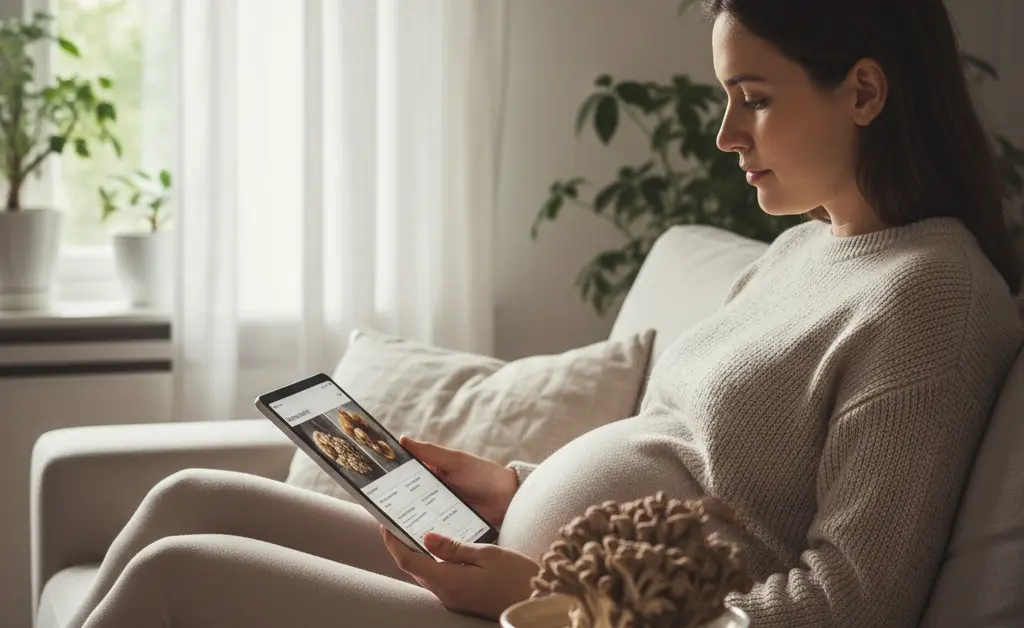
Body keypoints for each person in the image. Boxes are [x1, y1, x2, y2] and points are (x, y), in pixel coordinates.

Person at [65, 0, 1024, 627]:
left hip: (560, 619)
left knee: (178, 573)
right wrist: (511, 484)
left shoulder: (933, 296)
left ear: (863, 90)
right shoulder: (805, 248)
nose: (728, 134)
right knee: (187, 497)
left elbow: (850, 603)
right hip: (524, 570)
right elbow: (684, 446)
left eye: (755, 100)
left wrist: (570, 600)